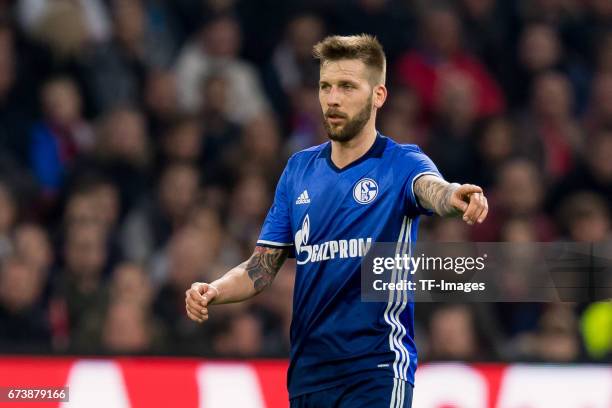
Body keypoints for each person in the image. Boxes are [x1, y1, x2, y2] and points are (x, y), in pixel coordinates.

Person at [185, 34, 488, 407]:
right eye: (325, 86)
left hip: (376, 369)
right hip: (308, 377)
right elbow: (259, 269)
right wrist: (215, 289)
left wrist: (453, 195)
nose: (332, 98)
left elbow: (431, 189)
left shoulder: (401, 163)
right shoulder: (298, 171)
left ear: (378, 95)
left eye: (347, 86)